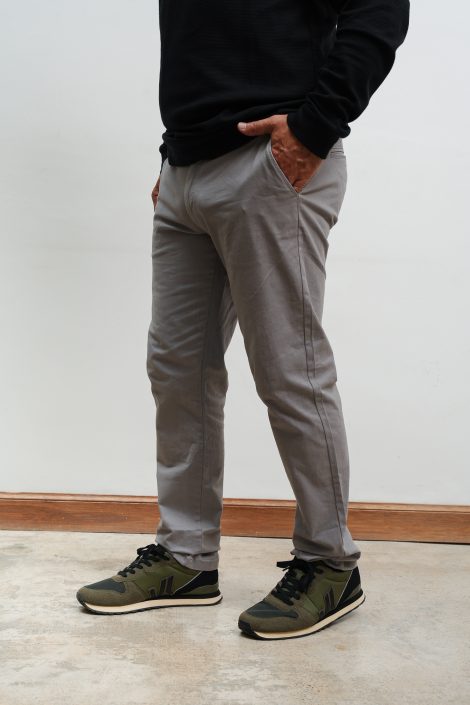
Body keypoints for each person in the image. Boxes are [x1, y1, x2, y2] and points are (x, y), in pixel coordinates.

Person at [76, 0, 410, 640]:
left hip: (271, 160)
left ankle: (330, 563)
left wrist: (315, 127)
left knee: (290, 369)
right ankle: (186, 557)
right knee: (177, 369)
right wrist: (177, 151)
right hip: (184, 171)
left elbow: (380, 10)